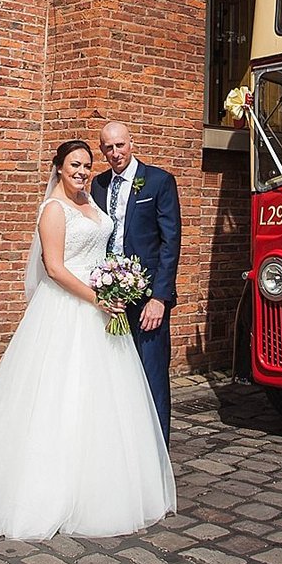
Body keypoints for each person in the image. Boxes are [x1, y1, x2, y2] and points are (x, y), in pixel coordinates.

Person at [0, 139, 175, 540]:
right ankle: (48, 487)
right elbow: (54, 269)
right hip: (70, 310)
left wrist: (115, 287)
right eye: (75, 164)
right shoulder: (53, 211)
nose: (82, 171)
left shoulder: (92, 202)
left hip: (102, 311)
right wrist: (99, 299)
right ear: (57, 167)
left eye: (87, 165)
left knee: (103, 398)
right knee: (59, 394)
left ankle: (104, 480)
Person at [92, 122, 181, 442]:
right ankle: (121, 449)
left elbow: (171, 243)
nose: (115, 153)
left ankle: (157, 452)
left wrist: (160, 297)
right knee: (113, 373)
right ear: (102, 150)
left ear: (131, 143)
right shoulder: (98, 185)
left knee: (152, 375)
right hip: (109, 297)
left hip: (147, 299)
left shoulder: (158, 181)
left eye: (120, 145)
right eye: (108, 148)